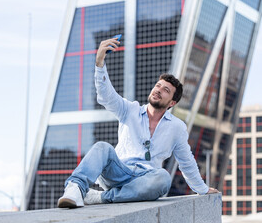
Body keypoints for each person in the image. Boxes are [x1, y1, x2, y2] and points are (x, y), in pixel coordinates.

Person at [57, 37, 219, 208]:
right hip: (118, 171)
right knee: (102, 147)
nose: (158, 90)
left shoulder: (176, 127)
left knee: (163, 178)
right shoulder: (130, 109)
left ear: (172, 103)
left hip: (146, 179)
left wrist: (202, 189)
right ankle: (75, 188)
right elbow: (106, 96)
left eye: (165, 90)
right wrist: (99, 64)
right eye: (158, 86)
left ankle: (102, 198)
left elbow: (186, 161)